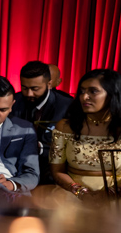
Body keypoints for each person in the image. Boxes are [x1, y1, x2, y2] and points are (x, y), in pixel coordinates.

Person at [50, 69, 121, 197]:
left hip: (115, 197)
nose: (84, 97)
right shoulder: (65, 127)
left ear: (112, 94)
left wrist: (107, 194)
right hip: (72, 195)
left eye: (93, 91)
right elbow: (57, 171)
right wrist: (79, 192)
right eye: (82, 91)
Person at [10, 60, 73, 185]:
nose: (29, 94)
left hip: (51, 173)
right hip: (15, 171)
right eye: (24, 88)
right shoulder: (13, 102)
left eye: (35, 89)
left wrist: (40, 148)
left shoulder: (67, 106)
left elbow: (71, 147)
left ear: (49, 84)